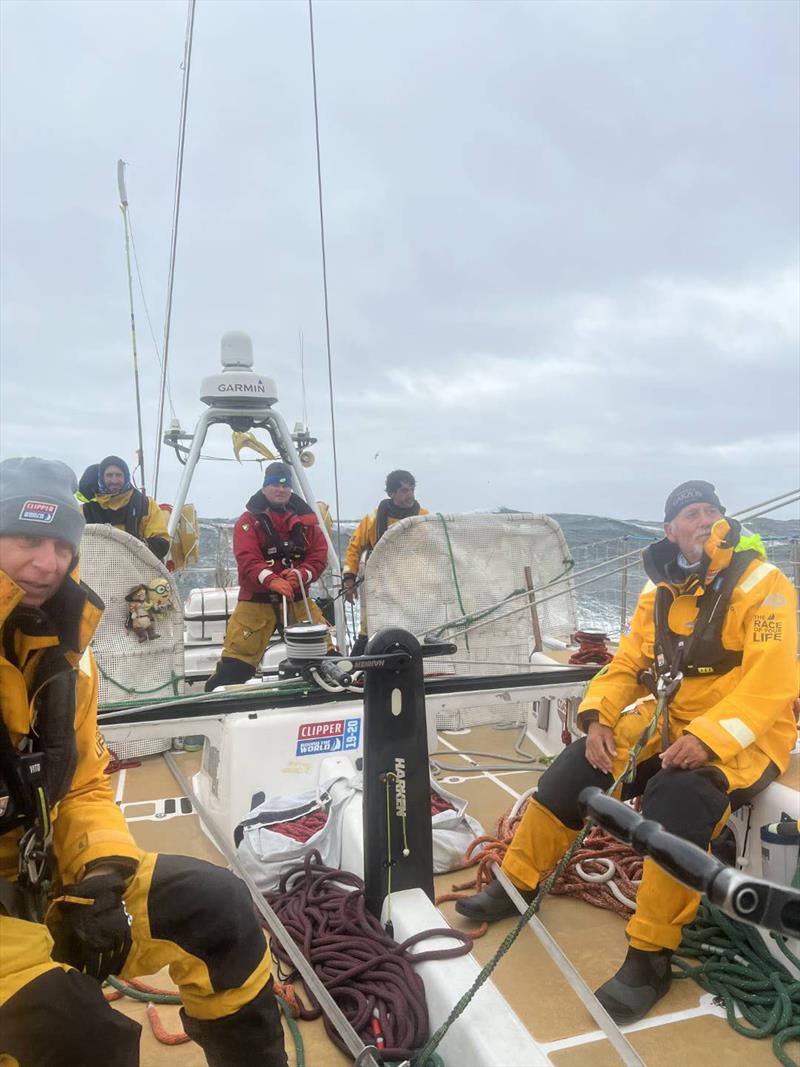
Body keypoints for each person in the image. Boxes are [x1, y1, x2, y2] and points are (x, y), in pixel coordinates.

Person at [455, 480, 797, 1024]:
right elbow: (624, 667)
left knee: (678, 798)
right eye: (691, 513)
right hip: (667, 721)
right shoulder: (657, 590)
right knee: (572, 773)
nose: (704, 518)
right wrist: (597, 719)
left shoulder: (764, 583)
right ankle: (516, 883)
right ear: (670, 530)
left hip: (745, 732)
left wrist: (708, 739)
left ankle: (650, 956)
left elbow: (772, 682)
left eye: (713, 510)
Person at [0, 457, 288, 1067]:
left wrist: (102, 872)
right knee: (74, 1025)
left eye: (59, 543)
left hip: (37, 878)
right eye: (25, 539)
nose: (46, 562)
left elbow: (77, 786)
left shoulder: (66, 656)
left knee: (219, 909)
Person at [204, 461, 331, 691]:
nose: (280, 490)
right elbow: (247, 558)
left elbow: (319, 556)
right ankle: (211, 701)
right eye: (274, 485)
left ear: (290, 489)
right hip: (256, 603)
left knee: (326, 657)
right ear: (264, 488)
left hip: (297, 599)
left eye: (285, 486)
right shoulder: (247, 522)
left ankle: (325, 697)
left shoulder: (308, 523)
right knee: (236, 665)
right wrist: (272, 580)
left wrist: (302, 575)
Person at [342, 470, 428, 655]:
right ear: (391, 493)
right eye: (404, 490)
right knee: (370, 630)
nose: (410, 495)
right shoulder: (373, 519)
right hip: (380, 586)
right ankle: (355, 672)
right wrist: (349, 579)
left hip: (413, 586)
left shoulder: (425, 517)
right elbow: (354, 548)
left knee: (412, 630)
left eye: (412, 489)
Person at [80, 456, 170, 561]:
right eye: (109, 475)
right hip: (96, 572)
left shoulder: (146, 504)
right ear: (101, 478)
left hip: (139, 572)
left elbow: (162, 544)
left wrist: (135, 545)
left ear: (126, 477)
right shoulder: (85, 511)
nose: (114, 480)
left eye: (118, 475)